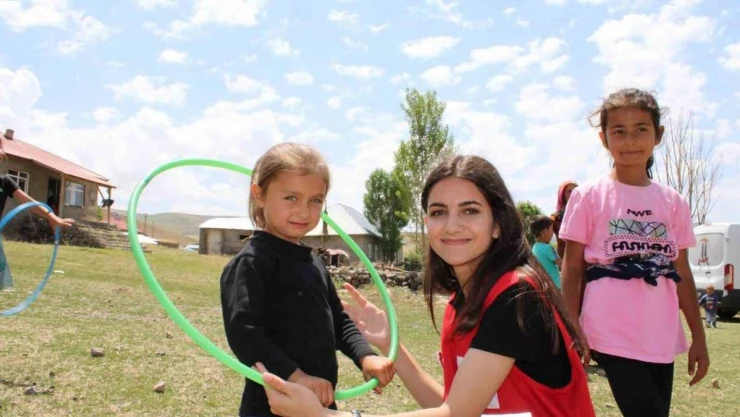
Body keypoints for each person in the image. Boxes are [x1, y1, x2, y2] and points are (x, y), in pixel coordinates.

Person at [254, 155, 596, 417]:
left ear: (498, 224)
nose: (452, 226)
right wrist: (392, 344)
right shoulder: (462, 303)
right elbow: (450, 405)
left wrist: (322, 416)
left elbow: (455, 414)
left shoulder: (516, 295)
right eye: (438, 212)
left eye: (470, 211)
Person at [559, 88, 710, 417]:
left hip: (660, 334)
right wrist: (571, 327)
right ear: (604, 138)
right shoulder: (588, 196)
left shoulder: (673, 202)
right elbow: (571, 268)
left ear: (658, 135)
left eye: (641, 129)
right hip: (609, 330)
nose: (630, 140)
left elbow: (682, 272)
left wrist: (699, 337)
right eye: (619, 131)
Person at [219, 142, 395, 417]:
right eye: (291, 198)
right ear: (259, 195)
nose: (304, 211)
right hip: (271, 406)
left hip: (318, 404)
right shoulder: (252, 263)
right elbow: (245, 334)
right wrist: (297, 377)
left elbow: (338, 320)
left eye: (315, 200)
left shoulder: (314, 262)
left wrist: (365, 355)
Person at [0, 138, 74, 291]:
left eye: (1, 147)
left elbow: (29, 202)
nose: (2, 152)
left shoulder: (5, 182)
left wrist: (51, 216)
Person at [530, 215, 561, 288]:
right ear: (544, 232)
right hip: (556, 287)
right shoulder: (549, 248)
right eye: (551, 229)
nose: (553, 232)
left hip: (546, 287)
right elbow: (562, 265)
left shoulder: (534, 249)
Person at [551, 181, 577, 260]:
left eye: (576, 191)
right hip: (564, 260)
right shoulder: (554, 219)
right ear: (562, 195)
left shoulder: (586, 215)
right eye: (569, 191)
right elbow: (550, 244)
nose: (573, 194)